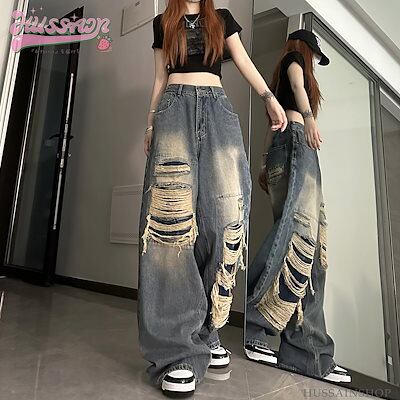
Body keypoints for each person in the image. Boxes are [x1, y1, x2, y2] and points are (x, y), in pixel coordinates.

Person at [137, 0, 287, 396]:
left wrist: (269, 97)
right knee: (171, 228)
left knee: (225, 220)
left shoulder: (220, 19)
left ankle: (205, 330)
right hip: (173, 109)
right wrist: (150, 123)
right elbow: (159, 77)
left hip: (217, 110)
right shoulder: (162, 22)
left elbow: (243, 60)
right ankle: (177, 351)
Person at [245, 29, 351, 384]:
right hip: (295, 145)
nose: (314, 65)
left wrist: (265, 163)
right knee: (300, 238)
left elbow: (272, 125)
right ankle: (255, 323)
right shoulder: (294, 61)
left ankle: (306, 351)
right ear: (306, 51)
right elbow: (298, 83)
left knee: (307, 249)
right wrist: (309, 117)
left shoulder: (279, 85)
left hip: (282, 146)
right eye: (315, 58)